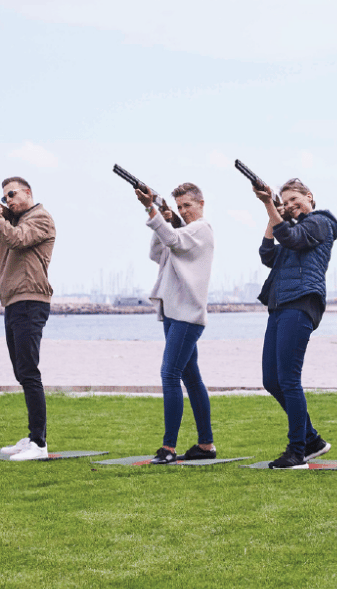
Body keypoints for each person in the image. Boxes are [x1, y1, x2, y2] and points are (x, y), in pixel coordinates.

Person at [253, 178, 337, 469]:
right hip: (279, 305)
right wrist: (272, 213)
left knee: (289, 379)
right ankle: (312, 440)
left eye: (294, 200)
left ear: (310, 197)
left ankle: (297, 450)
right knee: (271, 380)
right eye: (285, 202)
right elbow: (267, 254)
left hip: (301, 301)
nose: (291, 205)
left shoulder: (320, 223)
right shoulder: (291, 229)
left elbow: (291, 238)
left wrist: (270, 206)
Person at [0, 177, 56, 461]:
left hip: (31, 300)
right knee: (22, 372)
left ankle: (39, 444)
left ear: (28, 192)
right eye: (5, 197)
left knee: (29, 372)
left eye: (12, 195)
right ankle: (33, 436)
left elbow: (17, 239)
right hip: (13, 302)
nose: (9, 200)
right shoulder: (8, 220)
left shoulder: (40, 218)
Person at [135, 183, 217, 464]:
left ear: (201, 204)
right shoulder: (182, 231)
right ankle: (206, 445)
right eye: (179, 207)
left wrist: (152, 209)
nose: (183, 211)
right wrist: (166, 220)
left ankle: (168, 448)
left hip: (186, 316)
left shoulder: (201, 229)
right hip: (173, 312)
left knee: (169, 374)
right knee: (190, 378)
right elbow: (157, 252)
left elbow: (173, 241)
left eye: (187, 206)